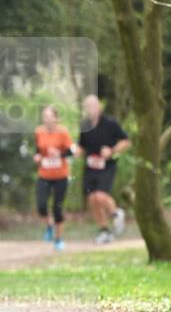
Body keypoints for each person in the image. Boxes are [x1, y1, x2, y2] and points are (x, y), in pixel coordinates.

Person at [76, 94, 130, 244]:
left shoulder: (110, 123)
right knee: (92, 200)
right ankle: (104, 231)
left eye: (92, 106)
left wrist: (112, 151)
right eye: (87, 106)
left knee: (100, 196)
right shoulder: (84, 125)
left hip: (107, 166)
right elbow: (81, 146)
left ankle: (115, 213)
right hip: (90, 167)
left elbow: (126, 141)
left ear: (99, 107)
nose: (90, 109)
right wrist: (74, 152)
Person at [33, 105, 74, 252]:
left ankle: (58, 238)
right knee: (41, 205)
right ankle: (49, 225)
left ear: (56, 119)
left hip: (60, 175)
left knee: (57, 207)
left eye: (50, 117)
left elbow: (71, 152)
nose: (47, 120)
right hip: (44, 174)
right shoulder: (39, 131)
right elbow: (37, 150)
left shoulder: (63, 133)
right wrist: (37, 156)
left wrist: (59, 154)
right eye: (45, 117)